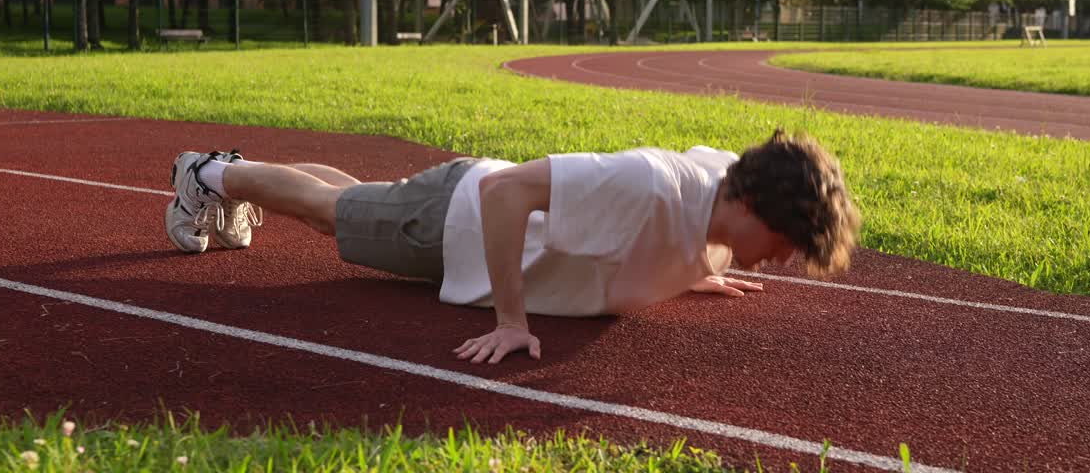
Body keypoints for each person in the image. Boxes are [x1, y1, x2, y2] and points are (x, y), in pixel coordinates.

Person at [164, 129, 861, 364]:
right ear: (749, 204)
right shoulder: (648, 185)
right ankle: (204, 173)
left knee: (351, 199)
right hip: (454, 222)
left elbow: (671, 230)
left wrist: (692, 268)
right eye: (785, 238)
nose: (783, 256)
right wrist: (511, 320)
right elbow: (508, 197)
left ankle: (231, 178)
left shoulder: (717, 188)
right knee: (330, 212)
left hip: (455, 203)